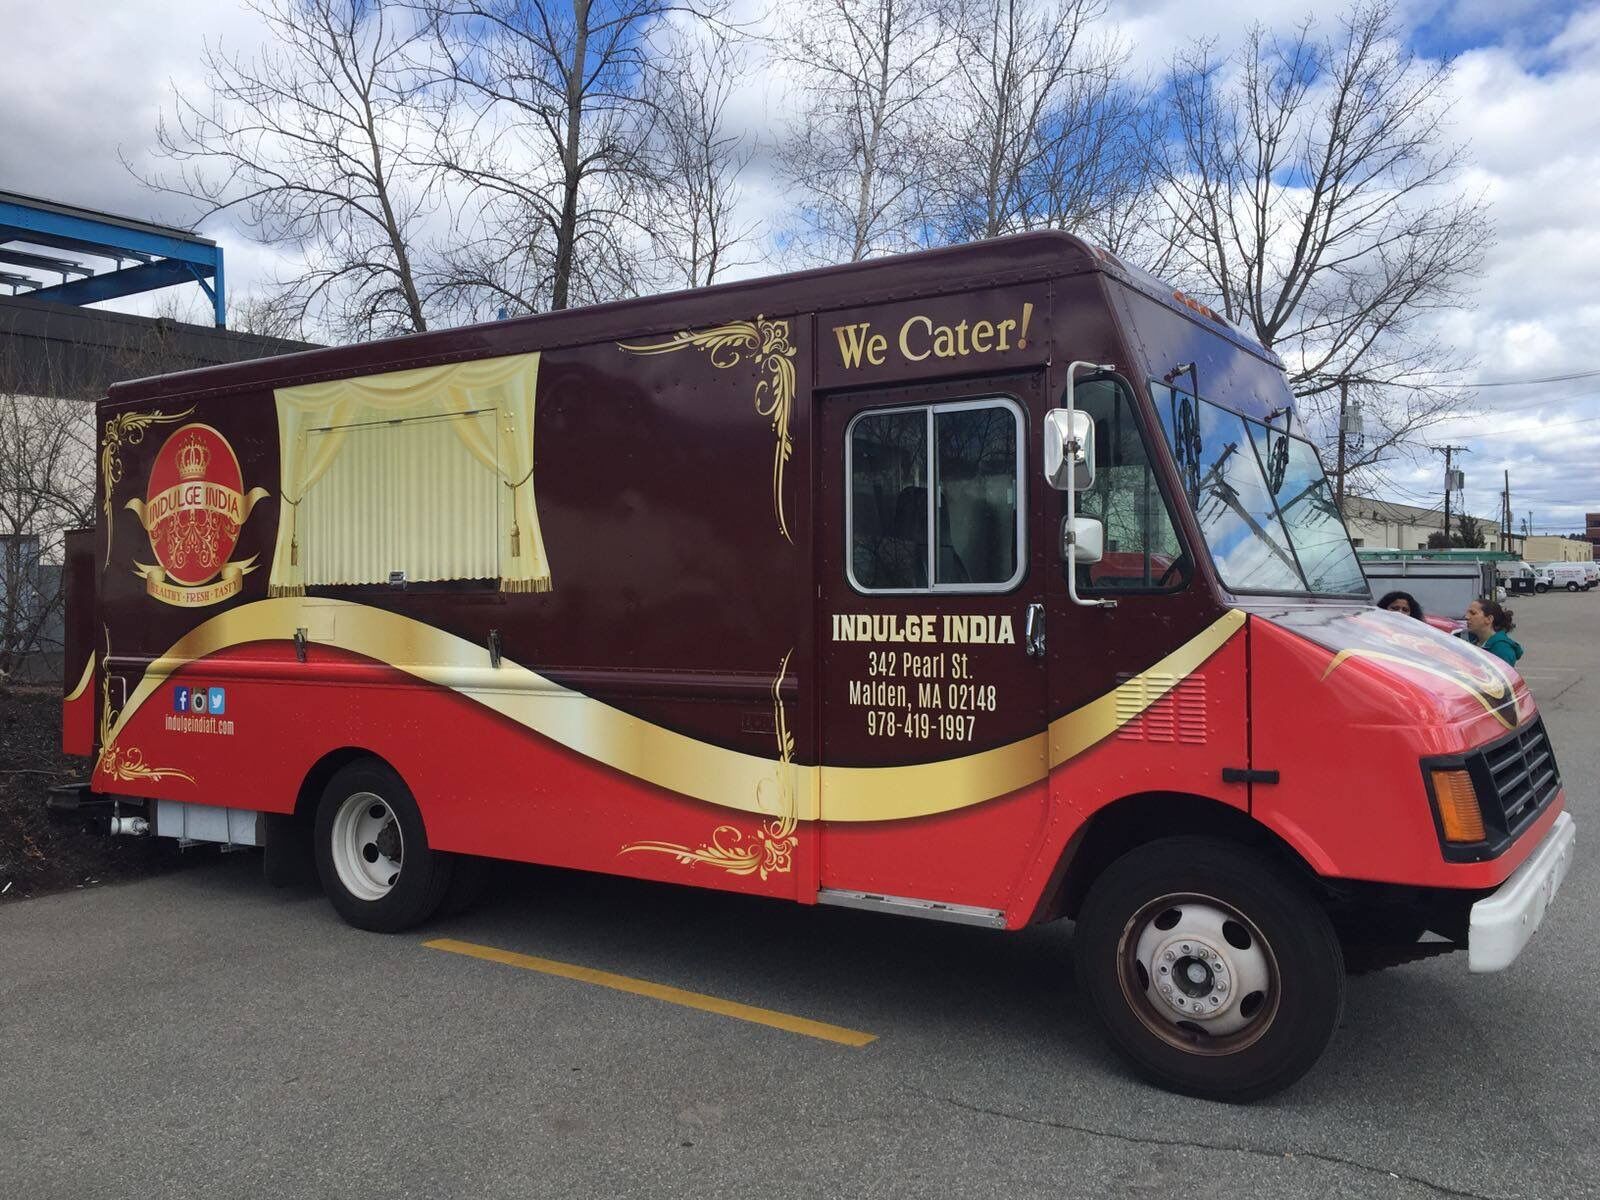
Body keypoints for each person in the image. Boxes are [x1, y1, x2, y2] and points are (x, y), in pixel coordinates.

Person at [1465, 597, 1523, 666]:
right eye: (1467, 613)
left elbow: (1501, 675)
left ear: (1489, 619)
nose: (1467, 617)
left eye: (1473, 613)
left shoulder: (1502, 649)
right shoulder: (1474, 642)